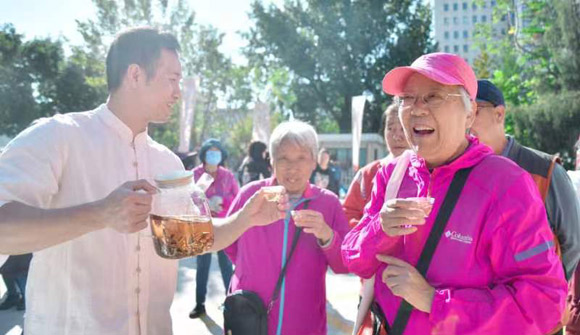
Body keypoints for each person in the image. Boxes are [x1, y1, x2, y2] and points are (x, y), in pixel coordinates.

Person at [0, 27, 288, 335]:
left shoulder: (168, 162)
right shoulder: (57, 137)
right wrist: (99, 214)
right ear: (135, 74)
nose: (178, 92)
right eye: (172, 79)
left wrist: (245, 218)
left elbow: (188, 241)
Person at [341, 52, 567, 334]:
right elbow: (353, 260)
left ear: (470, 113)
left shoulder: (506, 184)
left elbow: (544, 302)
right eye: (407, 99)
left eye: (434, 97)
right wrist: (380, 229)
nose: (417, 109)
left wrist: (434, 301)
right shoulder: (393, 174)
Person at [470, 79, 580, 334]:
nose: (466, 121)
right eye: (461, 110)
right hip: (475, 316)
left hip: (536, 320)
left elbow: (572, 242)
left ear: (499, 114)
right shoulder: (460, 171)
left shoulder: (545, 169)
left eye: (474, 110)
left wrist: (547, 296)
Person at [225, 121, 350, 335]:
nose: (293, 167)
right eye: (283, 158)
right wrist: (251, 273)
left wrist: (327, 235)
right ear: (272, 161)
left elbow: (344, 265)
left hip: (304, 322)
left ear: (314, 161)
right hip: (250, 317)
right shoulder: (251, 195)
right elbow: (229, 243)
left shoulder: (328, 203)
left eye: (301, 158)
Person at [343, 102, 409, 335]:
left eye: (402, 128)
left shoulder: (424, 170)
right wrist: (371, 235)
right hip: (372, 274)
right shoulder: (369, 173)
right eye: (391, 128)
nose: (397, 135)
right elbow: (348, 216)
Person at [189, 138, 238, 319]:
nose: (214, 155)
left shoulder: (228, 176)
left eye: (217, 152)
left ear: (222, 155)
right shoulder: (194, 175)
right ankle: (199, 304)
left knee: (227, 266)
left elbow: (237, 198)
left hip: (223, 226)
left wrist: (223, 203)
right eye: (210, 151)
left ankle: (231, 305)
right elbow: (187, 198)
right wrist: (205, 204)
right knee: (202, 266)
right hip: (202, 226)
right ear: (204, 154)